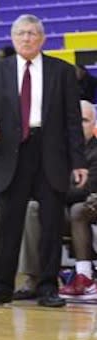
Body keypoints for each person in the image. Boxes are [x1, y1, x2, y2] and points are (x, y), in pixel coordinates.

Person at [0, 14, 87, 308]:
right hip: (11, 154)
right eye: (21, 33)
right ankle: (1, 287)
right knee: (9, 225)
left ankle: (48, 287)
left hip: (51, 153)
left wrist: (79, 162)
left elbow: (73, 122)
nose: (27, 38)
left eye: (33, 33)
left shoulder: (62, 71)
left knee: (51, 224)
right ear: (13, 38)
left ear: (43, 39)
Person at [60, 100, 97, 297]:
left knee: (79, 209)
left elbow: (87, 188)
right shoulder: (60, 151)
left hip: (89, 203)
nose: (78, 125)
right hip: (71, 207)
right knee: (35, 208)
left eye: (84, 120)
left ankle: (84, 277)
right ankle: (40, 278)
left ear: (94, 124)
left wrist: (56, 194)